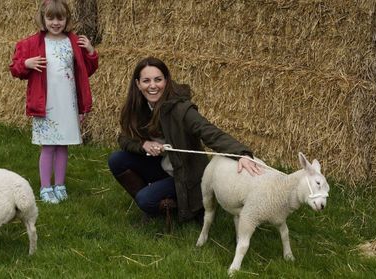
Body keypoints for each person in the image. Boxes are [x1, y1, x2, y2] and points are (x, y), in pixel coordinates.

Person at [108, 57, 262, 222]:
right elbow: (124, 138)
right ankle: (157, 202)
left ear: (166, 81)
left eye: (158, 80)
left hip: (185, 174)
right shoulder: (138, 107)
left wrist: (241, 153)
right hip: (162, 167)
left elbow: (209, 132)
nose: (152, 85)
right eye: (146, 80)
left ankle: (171, 205)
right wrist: (143, 144)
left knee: (146, 200)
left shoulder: (181, 109)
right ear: (138, 84)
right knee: (117, 159)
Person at [9, 0, 98, 204]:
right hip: (46, 104)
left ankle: (60, 184)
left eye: (60, 18)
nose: (56, 23)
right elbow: (15, 69)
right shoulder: (32, 44)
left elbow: (87, 71)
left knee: (63, 146)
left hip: (67, 103)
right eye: (51, 18)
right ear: (43, 18)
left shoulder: (74, 42)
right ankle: (45, 188)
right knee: (48, 146)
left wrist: (91, 51)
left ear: (67, 20)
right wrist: (26, 63)